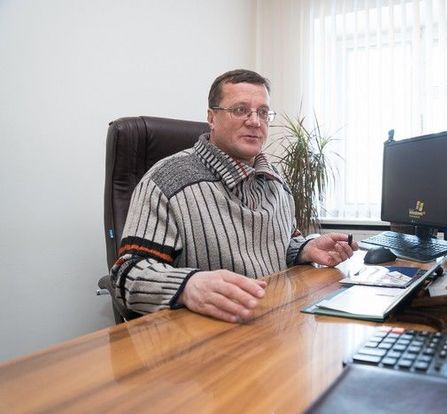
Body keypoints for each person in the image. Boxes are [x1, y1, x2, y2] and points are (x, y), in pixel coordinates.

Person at [111, 69, 357, 323]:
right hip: (209, 333)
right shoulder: (166, 181)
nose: (255, 121)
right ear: (211, 117)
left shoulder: (277, 181)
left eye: (263, 112)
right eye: (240, 110)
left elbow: (280, 246)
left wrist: (306, 248)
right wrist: (188, 286)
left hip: (272, 321)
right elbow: (126, 275)